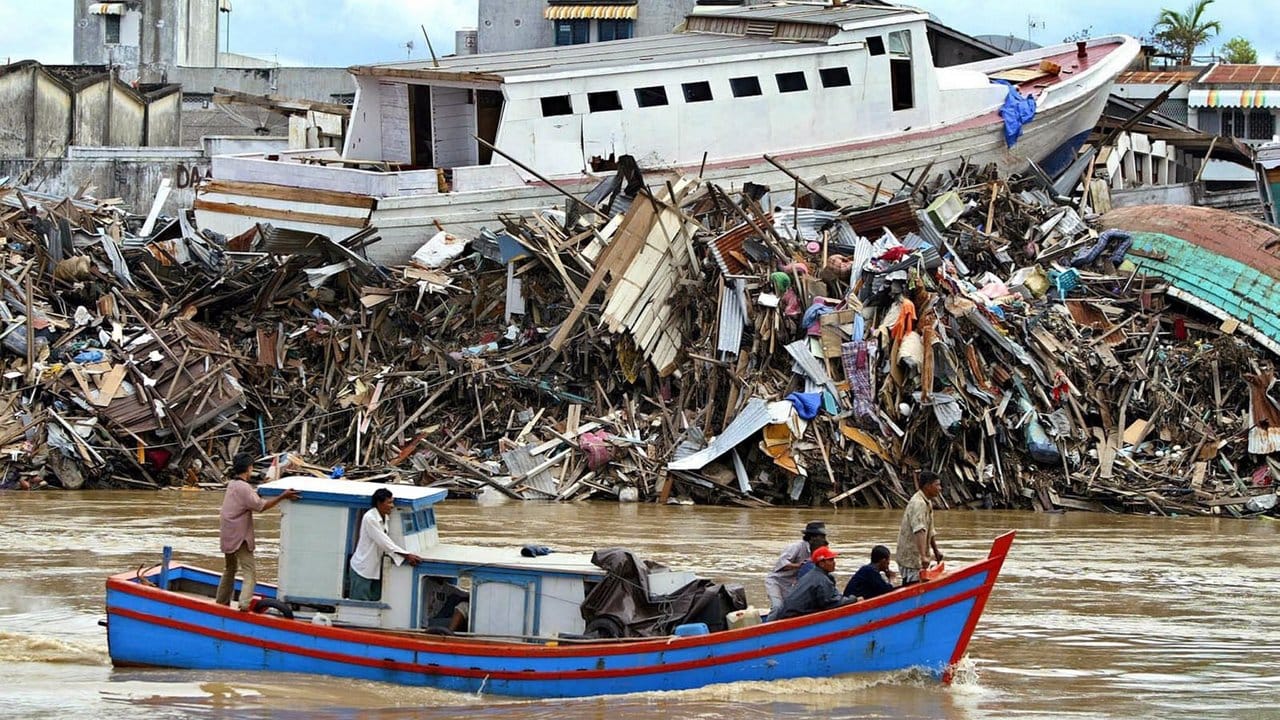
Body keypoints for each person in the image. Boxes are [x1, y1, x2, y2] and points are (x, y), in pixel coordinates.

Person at [216, 452, 299, 610]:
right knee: (250, 572)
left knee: (230, 569)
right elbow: (261, 506)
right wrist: (283, 496)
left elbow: (249, 500)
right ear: (248, 469)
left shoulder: (233, 484)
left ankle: (221, 602)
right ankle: (244, 604)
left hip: (228, 533)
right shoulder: (244, 487)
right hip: (239, 535)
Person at [348, 487, 423, 601]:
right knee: (359, 604)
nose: (392, 506)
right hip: (362, 568)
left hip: (374, 568)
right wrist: (407, 555)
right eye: (389, 502)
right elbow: (384, 542)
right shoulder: (370, 518)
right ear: (379, 503)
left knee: (374, 601)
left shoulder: (385, 518)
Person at [773, 546, 854, 620]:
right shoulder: (821, 579)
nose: (834, 562)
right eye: (830, 560)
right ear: (821, 563)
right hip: (795, 618)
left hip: (789, 614)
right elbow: (831, 603)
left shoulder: (813, 575)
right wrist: (853, 599)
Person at [764, 521, 828, 612]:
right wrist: (799, 565)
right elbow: (782, 564)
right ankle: (770, 625)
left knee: (790, 608)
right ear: (813, 538)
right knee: (777, 607)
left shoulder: (816, 551)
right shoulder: (796, 547)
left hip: (791, 584)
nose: (824, 540)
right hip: (776, 582)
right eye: (822, 537)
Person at [896, 471, 945, 586]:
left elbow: (930, 531)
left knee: (919, 584)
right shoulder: (919, 504)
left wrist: (936, 551)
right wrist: (923, 556)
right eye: (937, 485)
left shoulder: (927, 502)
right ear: (928, 486)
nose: (940, 488)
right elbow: (919, 530)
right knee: (912, 586)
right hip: (910, 558)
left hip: (917, 557)